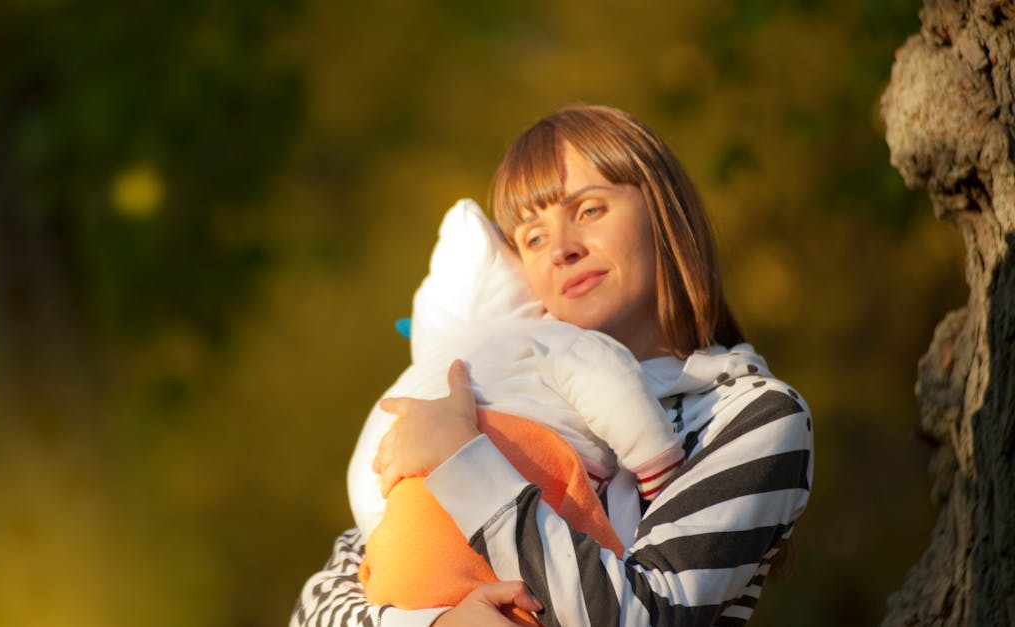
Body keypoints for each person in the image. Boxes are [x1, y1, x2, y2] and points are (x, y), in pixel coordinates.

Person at [290, 104, 813, 627]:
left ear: (664, 211)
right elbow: (318, 603)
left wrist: (463, 461)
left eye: (589, 210)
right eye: (533, 237)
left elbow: (646, 614)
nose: (561, 249)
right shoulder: (493, 394)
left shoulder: (753, 415)